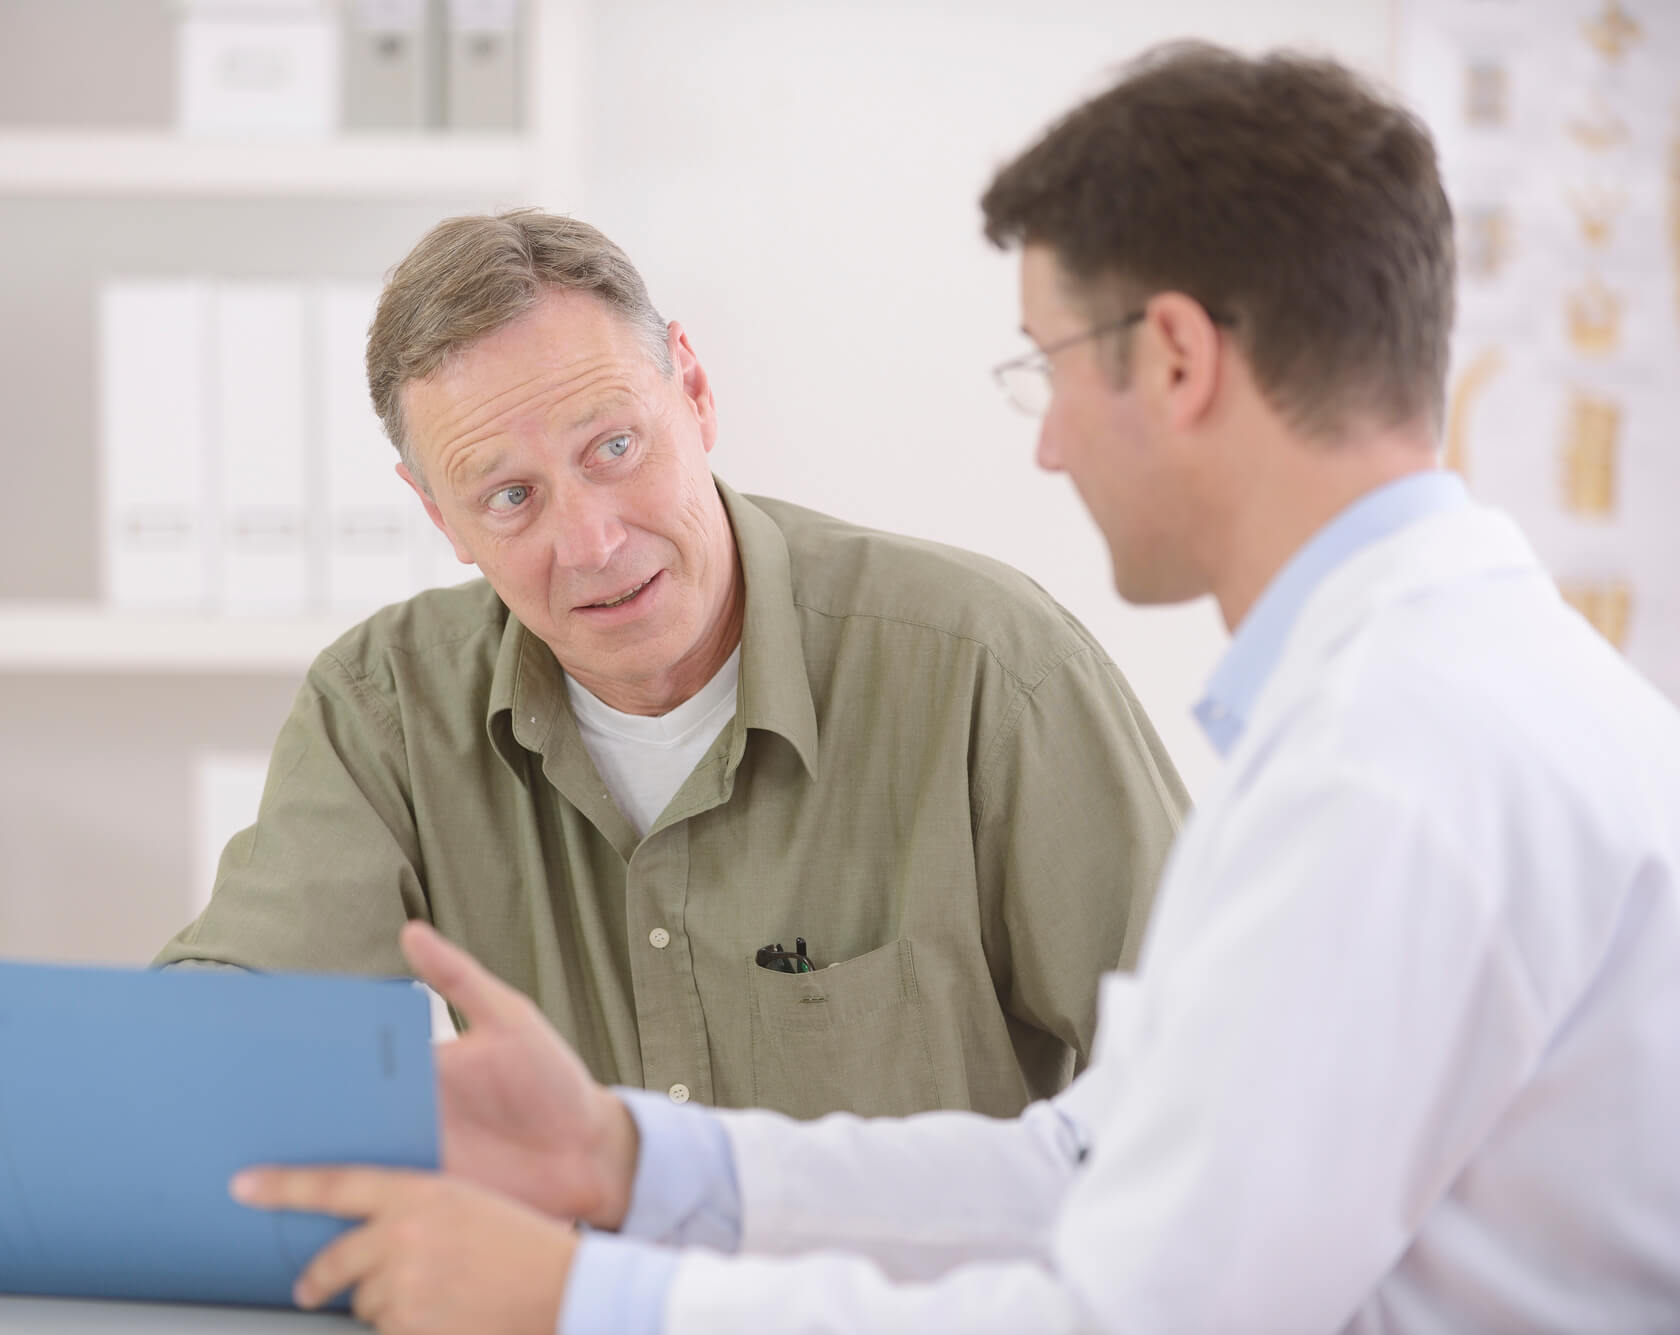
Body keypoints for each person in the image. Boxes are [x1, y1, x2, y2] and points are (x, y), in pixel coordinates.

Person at [225, 43, 1680, 1334]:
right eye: (512, 494)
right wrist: (638, 1161)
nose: (1046, 444)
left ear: (1174, 357)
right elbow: (1094, 1162)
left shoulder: (1393, 765)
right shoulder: (1457, 697)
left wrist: (594, 1296)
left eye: (1047, 366)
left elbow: (1135, 1308)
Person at [156, 211, 1189, 1120]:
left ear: (690, 390)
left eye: (612, 447)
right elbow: (229, 1031)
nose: (593, 542)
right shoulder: (387, 709)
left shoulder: (985, 672)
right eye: (509, 497)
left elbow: (1217, 1077)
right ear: (440, 518)